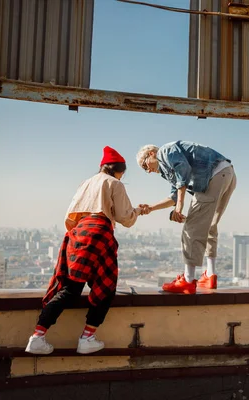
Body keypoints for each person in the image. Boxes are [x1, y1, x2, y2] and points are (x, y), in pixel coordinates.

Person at [25, 146, 141, 355]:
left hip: (77, 234)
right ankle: (87, 337)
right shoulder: (115, 183)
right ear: (119, 170)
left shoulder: (85, 183)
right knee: (106, 287)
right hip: (99, 234)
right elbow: (125, 217)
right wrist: (138, 212)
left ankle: (37, 336)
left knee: (70, 288)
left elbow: (69, 217)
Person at [136, 141, 236, 294]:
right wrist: (151, 208)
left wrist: (179, 207)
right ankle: (210, 274)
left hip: (212, 176)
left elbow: (183, 171)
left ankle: (188, 281)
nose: (147, 171)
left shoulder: (165, 151)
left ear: (151, 154)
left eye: (144, 166)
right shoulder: (167, 169)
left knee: (191, 228)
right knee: (210, 226)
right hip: (226, 173)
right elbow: (173, 196)